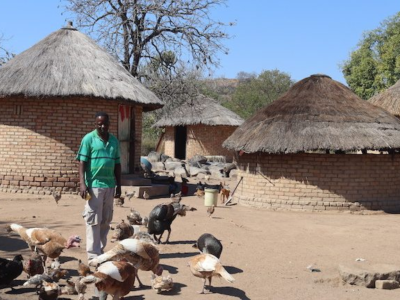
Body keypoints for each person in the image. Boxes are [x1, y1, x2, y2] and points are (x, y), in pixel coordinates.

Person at [76, 111, 122, 260]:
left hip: (109, 185)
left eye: (105, 123)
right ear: (95, 124)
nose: (102, 126)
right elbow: (82, 162)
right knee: (93, 220)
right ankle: (92, 256)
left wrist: (118, 185)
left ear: (109, 124)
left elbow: (117, 164)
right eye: (99, 124)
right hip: (94, 185)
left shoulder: (114, 141)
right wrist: (82, 183)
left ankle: (100, 252)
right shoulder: (88, 139)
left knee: (105, 220)